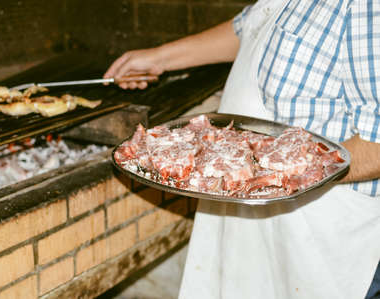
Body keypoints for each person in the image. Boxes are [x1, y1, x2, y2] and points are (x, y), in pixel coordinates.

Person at [104, 0, 380, 298]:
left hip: (319, 229)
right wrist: (159, 58)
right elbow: (251, 28)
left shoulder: (366, 7)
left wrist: (265, 175)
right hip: (256, 207)